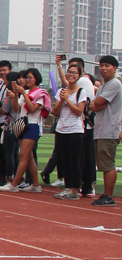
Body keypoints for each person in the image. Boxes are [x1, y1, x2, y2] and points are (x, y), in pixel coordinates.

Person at [0, 68, 51, 194]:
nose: (26, 80)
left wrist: (24, 94)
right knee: (29, 157)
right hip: (22, 124)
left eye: (29, 78)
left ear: (36, 79)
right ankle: (36, 185)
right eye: (26, 77)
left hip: (32, 125)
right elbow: (16, 110)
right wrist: (14, 98)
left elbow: (32, 108)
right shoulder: (25, 92)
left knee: (23, 155)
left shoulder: (41, 93)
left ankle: (14, 183)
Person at [88, 55, 122, 207]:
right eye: (101, 65)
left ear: (115, 68)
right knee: (103, 164)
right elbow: (94, 105)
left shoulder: (114, 84)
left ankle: (108, 195)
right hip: (102, 129)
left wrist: (95, 104)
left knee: (108, 164)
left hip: (109, 129)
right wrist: (95, 104)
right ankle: (106, 195)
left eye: (107, 65)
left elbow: (98, 104)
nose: (103, 68)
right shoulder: (103, 86)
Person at [49, 63, 86, 200]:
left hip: (75, 130)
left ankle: (75, 191)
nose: (71, 75)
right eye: (69, 72)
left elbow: (79, 112)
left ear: (79, 75)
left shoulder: (81, 92)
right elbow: (55, 112)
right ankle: (68, 187)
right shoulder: (61, 91)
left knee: (74, 160)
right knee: (63, 160)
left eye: (74, 73)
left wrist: (67, 101)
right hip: (61, 129)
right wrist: (60, 100)